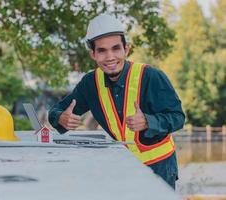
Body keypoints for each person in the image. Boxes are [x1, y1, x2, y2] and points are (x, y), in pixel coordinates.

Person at [48, 14, 185, 189]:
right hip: (122, 167)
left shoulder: (151, 76)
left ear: (126, 49)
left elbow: (178, 117)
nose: (110, 57)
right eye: (102, 51)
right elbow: (57, 110)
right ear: (93, 54)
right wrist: (60, 118)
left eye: (116, 48)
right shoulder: (90, 84)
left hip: (159, 168)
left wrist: (148, 122)